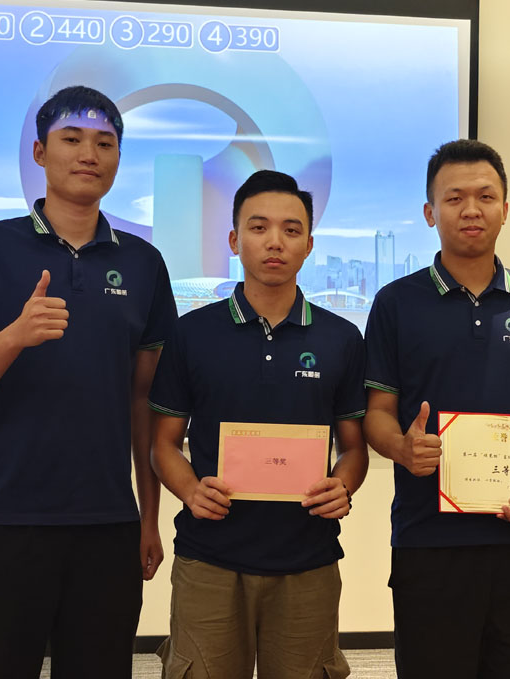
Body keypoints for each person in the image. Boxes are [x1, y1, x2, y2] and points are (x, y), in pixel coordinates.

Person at [0, 86, 176, 679]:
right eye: (71, 140)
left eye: (105, 143)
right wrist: (14, 336)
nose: (89, 154)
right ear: (40, 153)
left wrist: (148, 516)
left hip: (107, 521)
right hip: (4, 516)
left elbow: (144, 402)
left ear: (118, 159)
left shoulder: (144, 263)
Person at [363, 139, 510, 679]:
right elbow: (377, 413)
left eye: (485, 196)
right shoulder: (395, 302)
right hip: (429, 540)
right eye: (454, 198)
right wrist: (402, 447)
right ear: (430, 212)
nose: (471, 210)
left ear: (505, 208)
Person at [149, 170, 368, 679]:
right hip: (209, 557)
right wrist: (190, 491)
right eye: (258, 227)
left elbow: (354, 448)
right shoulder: (191, 333)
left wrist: (343, 485)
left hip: (308, 559)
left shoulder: (341, 338)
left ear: (309, 245)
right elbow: (164, 443)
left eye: (291, 230)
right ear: (234, 240)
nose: (275, 242)